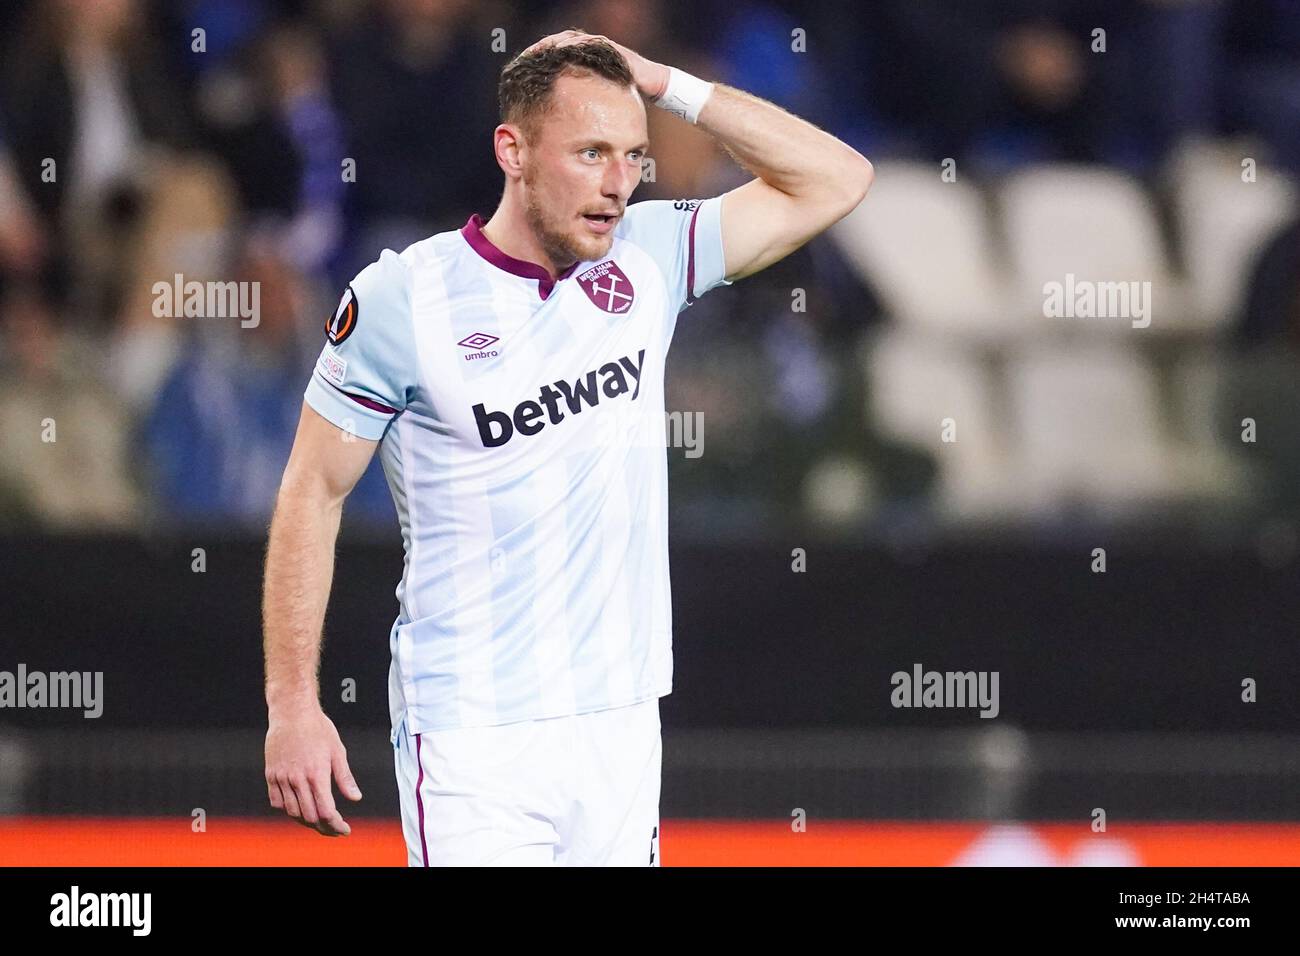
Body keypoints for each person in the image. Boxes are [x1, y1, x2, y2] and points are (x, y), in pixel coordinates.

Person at [261, 29, 873, 866]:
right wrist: (293, 704)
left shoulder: (650, 257)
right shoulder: (405, 299)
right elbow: (311, 492)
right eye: (590, 153)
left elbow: (839, 179)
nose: (618, 184)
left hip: (619, 721)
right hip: (472, 728)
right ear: (512, 150)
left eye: (632, 156)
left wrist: (664, 83)